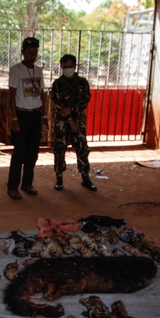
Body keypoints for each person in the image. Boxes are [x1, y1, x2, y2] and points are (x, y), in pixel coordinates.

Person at [6, 37, 48, 200]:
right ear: (23, 52)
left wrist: (44, 115)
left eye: (35, 52)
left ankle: (27, 184)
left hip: (35, 115)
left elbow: (41, 94)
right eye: (29, 52)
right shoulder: (16, 69)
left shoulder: (38, 70)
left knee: (33, 153)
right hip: (21, 115)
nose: (32, 55)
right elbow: (11, 96)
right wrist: (14, 119)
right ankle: (12, 186)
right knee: (19, 153)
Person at [50, 54, 96, 191]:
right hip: (62, 122)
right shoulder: (57, 84)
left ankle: (85, 177)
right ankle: (59, 178)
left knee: (82, 148)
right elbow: (57, 104)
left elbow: (84, 101)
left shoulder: (82, 82)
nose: (68, 69)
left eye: (70, 66)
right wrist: (70, 120)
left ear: (75, 67)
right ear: (61, 67)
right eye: (65, 67)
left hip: (78, 121)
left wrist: (71, 112)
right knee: (59, 149)